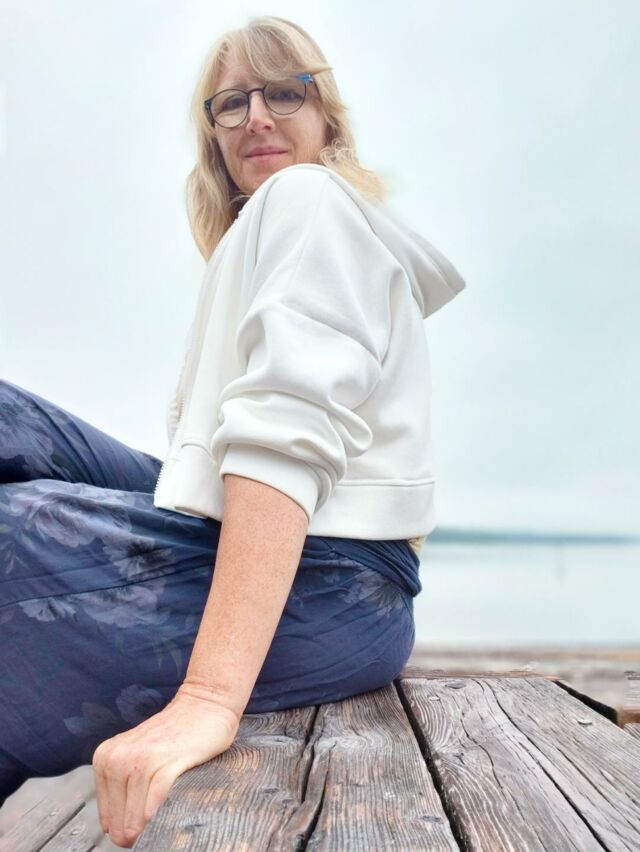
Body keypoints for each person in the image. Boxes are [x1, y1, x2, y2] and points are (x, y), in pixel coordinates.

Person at [0, 15, 465, 847]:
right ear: (212, 135)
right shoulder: (266, 235)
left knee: (17, 534)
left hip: (335, 584)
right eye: (231, 103)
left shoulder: (309, 199)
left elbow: (286, 432)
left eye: (284, 92)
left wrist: (209, 699)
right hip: (311, 567)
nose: (256, 117)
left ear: (327, 120)